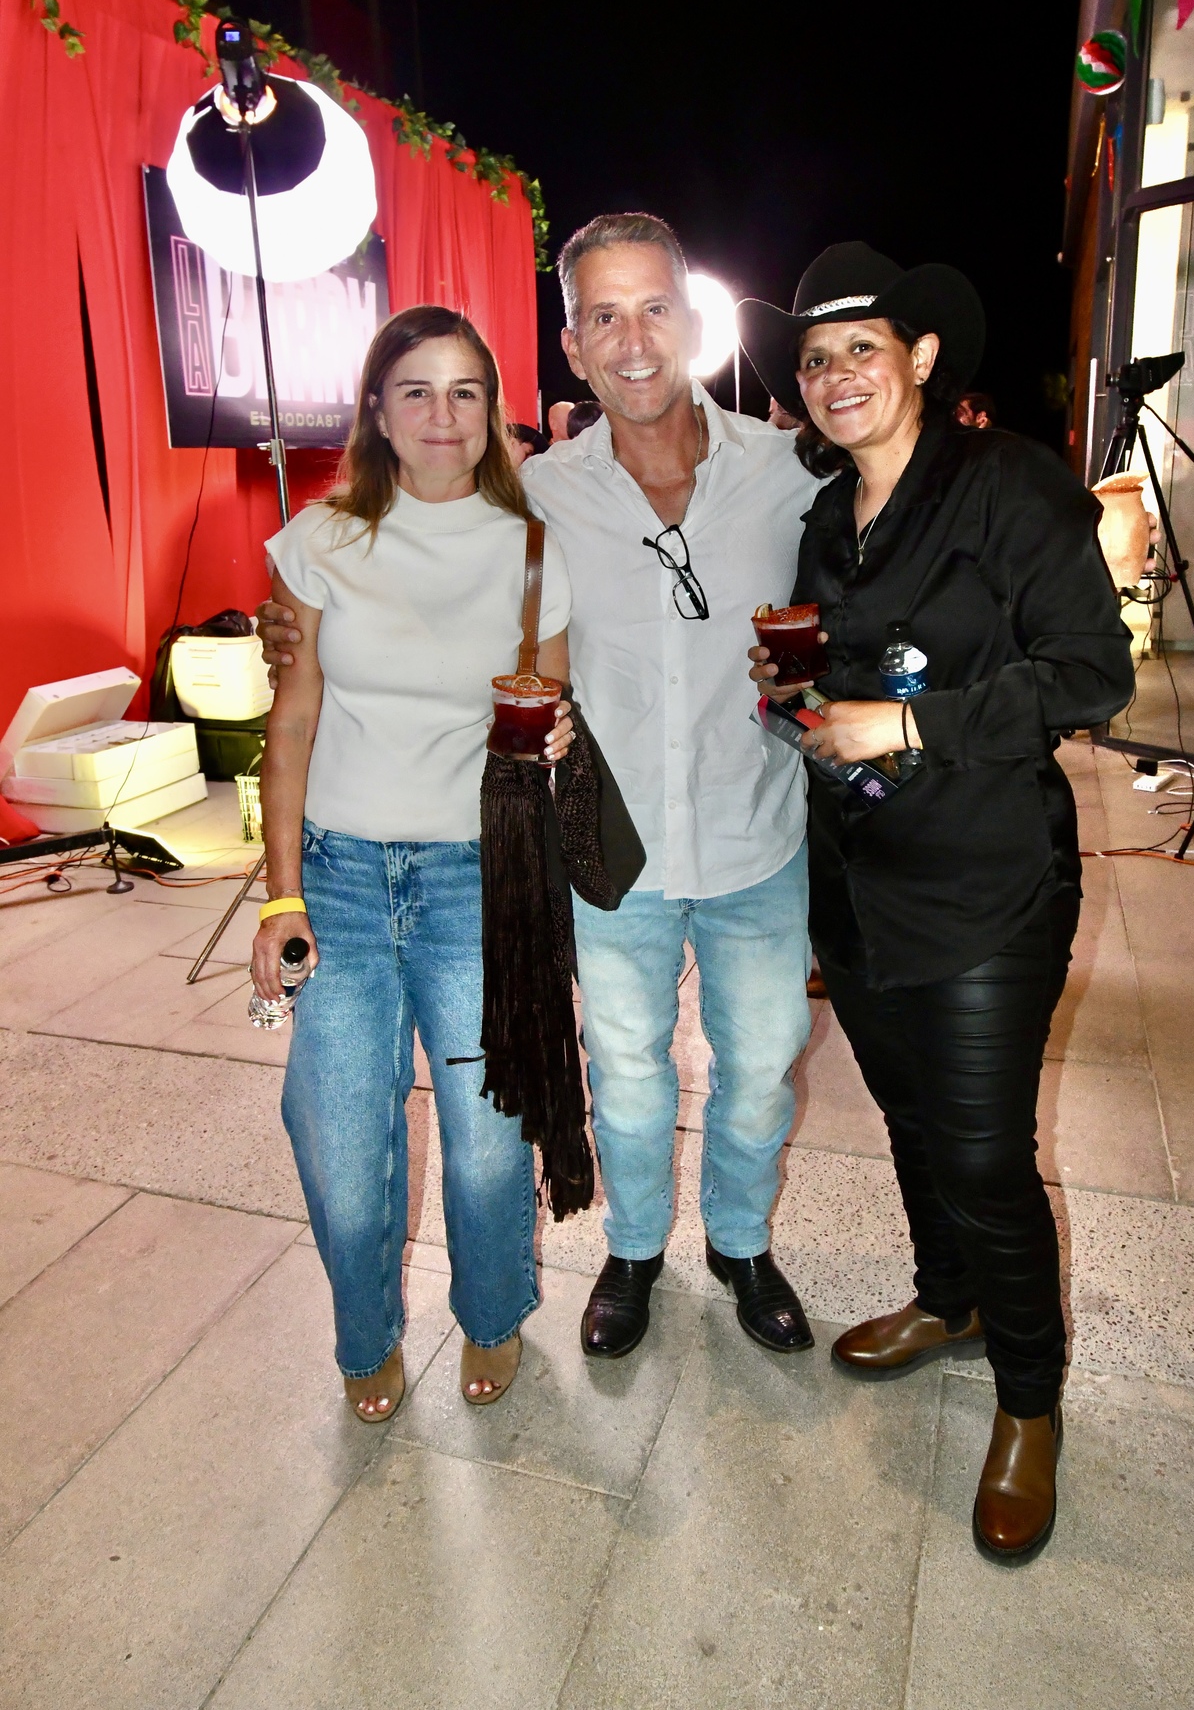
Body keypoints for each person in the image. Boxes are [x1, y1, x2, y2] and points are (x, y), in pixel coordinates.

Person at [260, 213, 821, 1362]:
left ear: (693, 319)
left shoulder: (786, 473)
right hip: (609, 850)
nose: (632, 339)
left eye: (653, 308)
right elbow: (414, 566)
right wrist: (291, 629)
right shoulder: (544, 495)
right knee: (623, 1073)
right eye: (602, 315)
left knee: (763, 1065)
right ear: (570, 345)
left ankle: (738, 1242)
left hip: (754, 830)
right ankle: (632, 1250)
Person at [739, 242, 1134, 1563]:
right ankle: (947, 1297)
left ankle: (1028, 1401)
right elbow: (835, 689)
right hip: (857, 883)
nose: (835, 374)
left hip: (983, 880)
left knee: (981, 1153)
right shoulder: (824, 518)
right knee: (910, 1120)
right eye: (814, 358)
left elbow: (1091, 674)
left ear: (917, 358)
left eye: (862, 347)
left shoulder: (1009, 486)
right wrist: (795, 699)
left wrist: (905, 726)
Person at [251, 304, 574, 1422]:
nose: (444, 414)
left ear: (493, 412)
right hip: (338, 874)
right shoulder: (318, 541)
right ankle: (365, 1337)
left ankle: (491, 1311)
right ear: (378, 414)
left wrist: (558, 731)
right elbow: (291, 722)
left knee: (487, 1141)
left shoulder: (533, 548)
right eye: (417, 391)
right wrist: (281, 895)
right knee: (340, 1138)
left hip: (474, 879)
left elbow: (550, 705)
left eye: (466, 391)